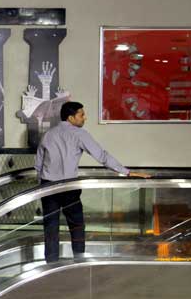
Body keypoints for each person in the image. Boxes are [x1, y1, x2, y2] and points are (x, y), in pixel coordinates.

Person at [35, 101, 151, 262]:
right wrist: (127, 172)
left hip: (48, 186)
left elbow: (38, 164)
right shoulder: (79, 134)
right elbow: (102, 156)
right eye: (81, 115)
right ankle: (79, 262)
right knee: (77, 226)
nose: (85, 118)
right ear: (70, 118)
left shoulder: (49, 134)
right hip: (68, 187)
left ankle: (51, 264)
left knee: (51, 227)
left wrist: (41, 184)